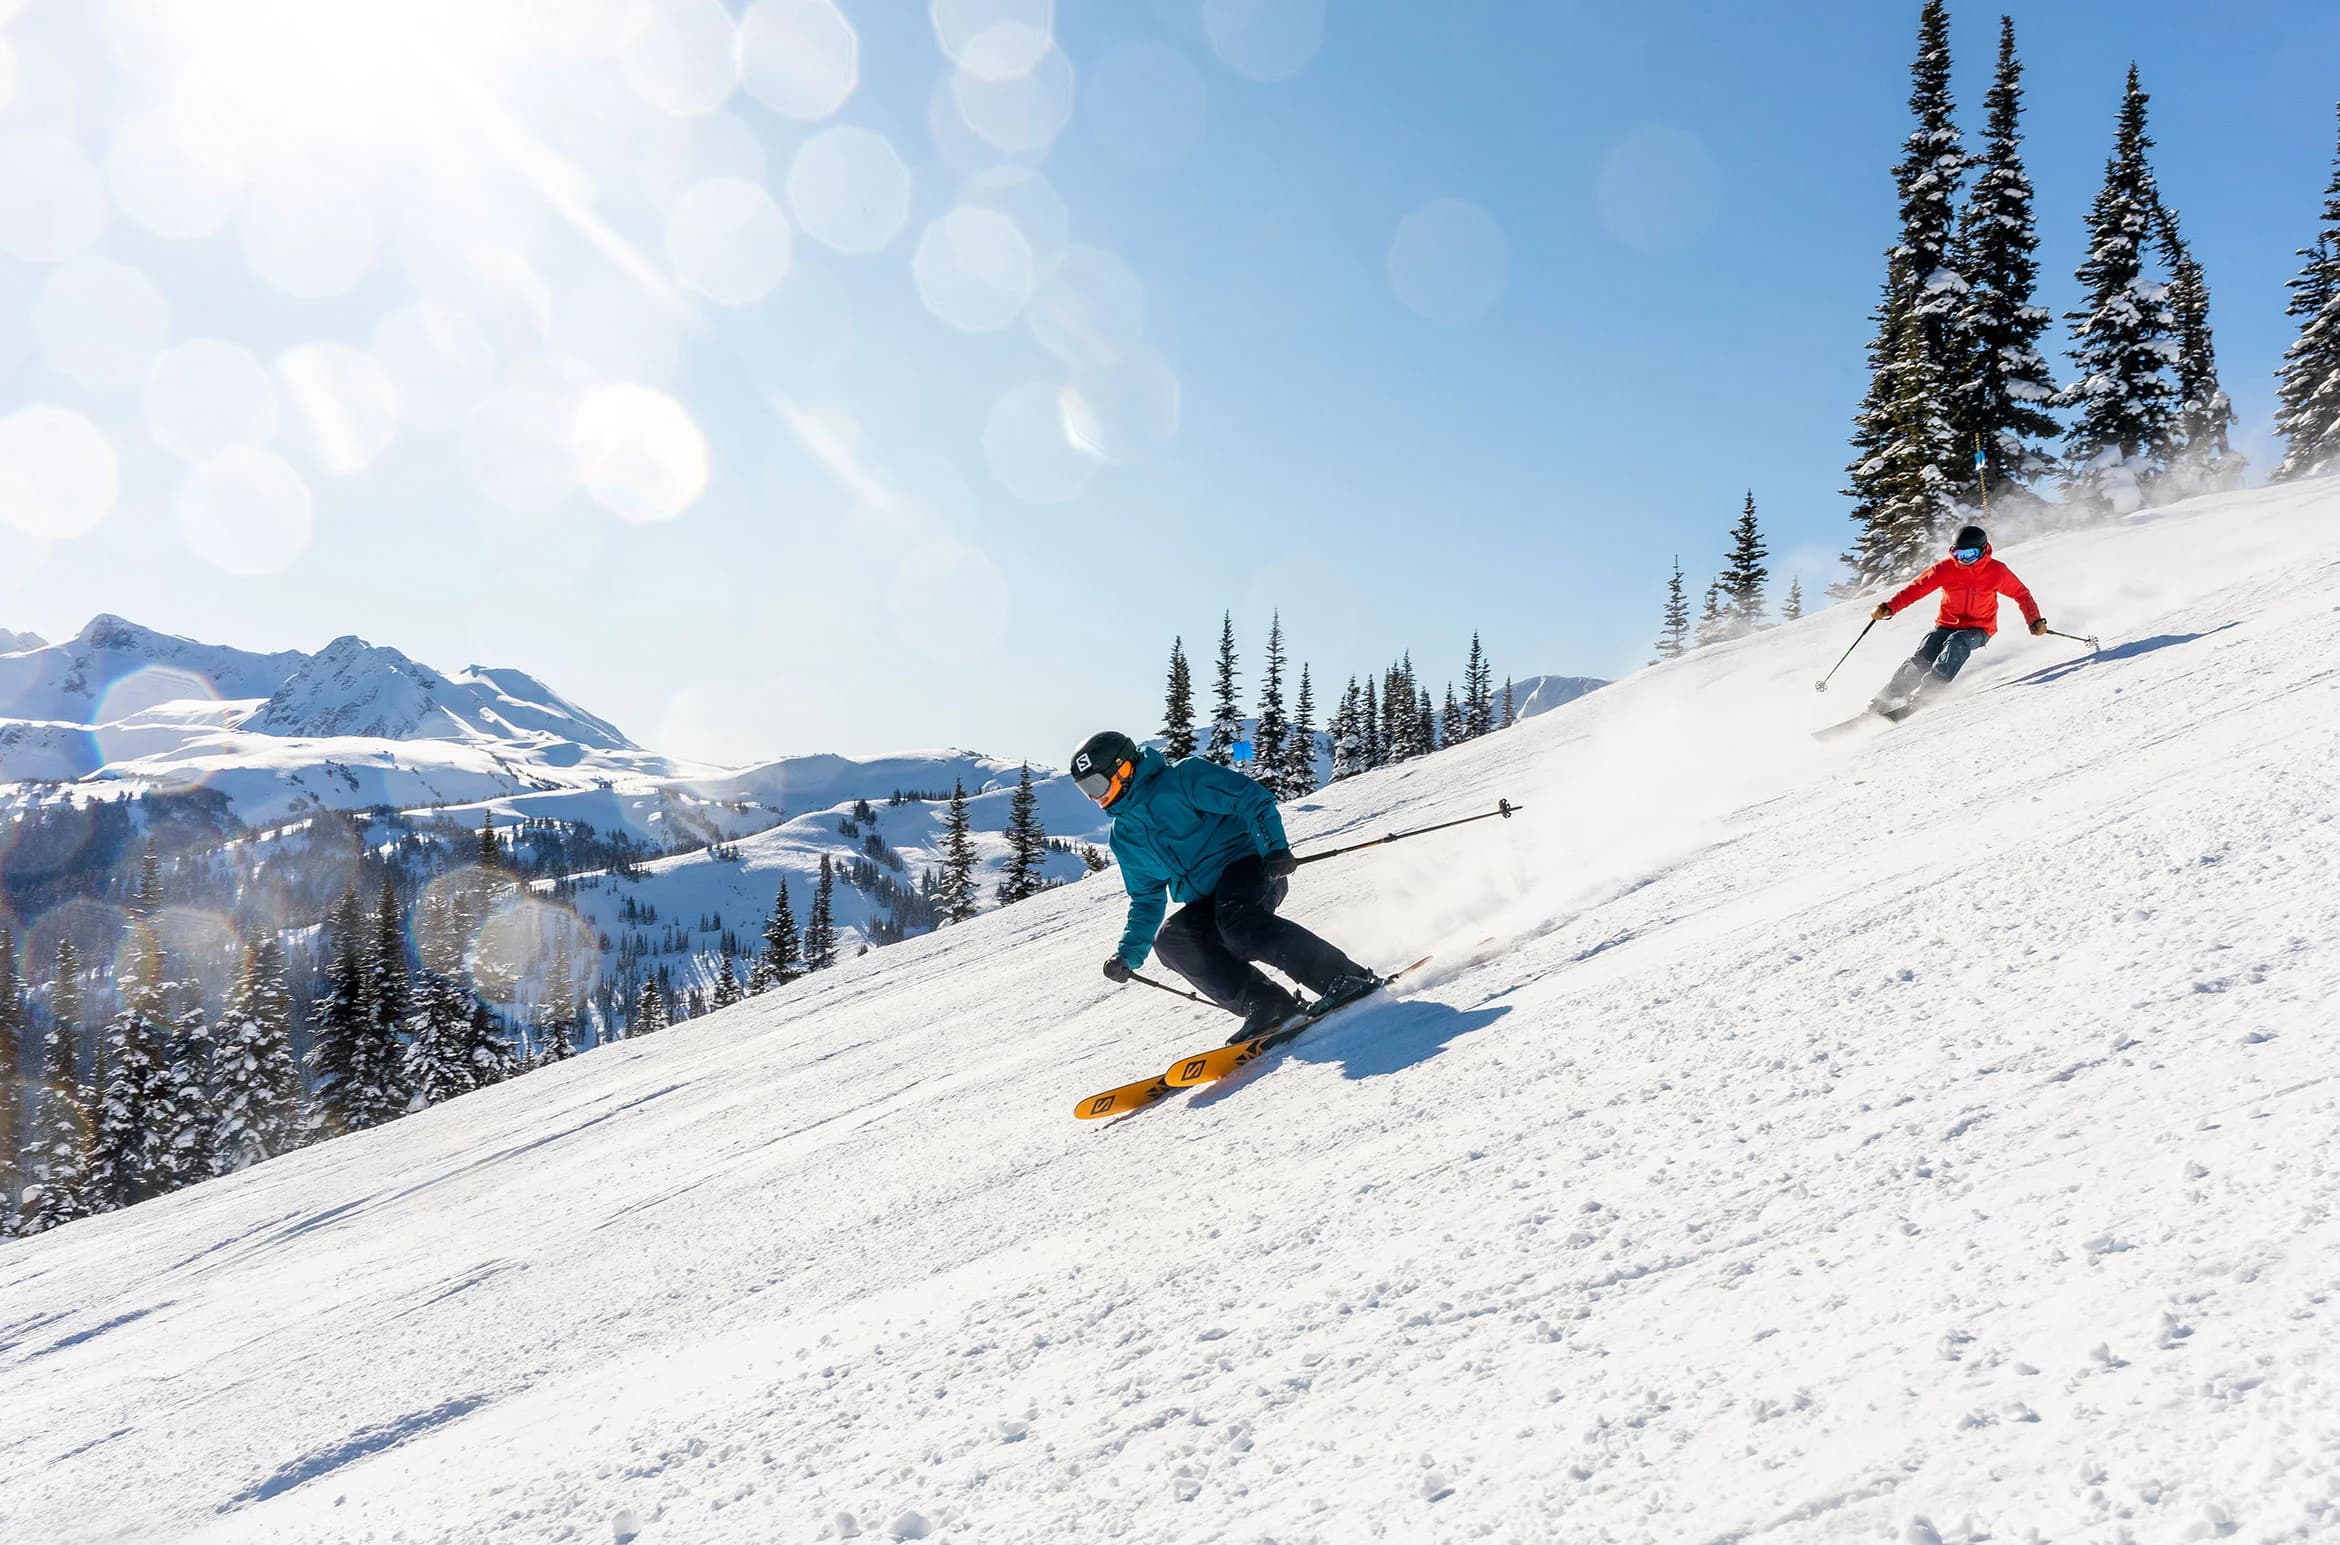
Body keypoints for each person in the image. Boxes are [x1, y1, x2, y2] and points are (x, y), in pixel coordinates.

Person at [1071, 729, 1378, 1043]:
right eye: (1086, 790)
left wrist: (1274, 848)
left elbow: (1251, 799)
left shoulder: (1181, 779)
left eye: (1096, 784)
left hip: (1251, 868)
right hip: (1209, 898)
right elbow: (1146, 898)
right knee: (1172, 940)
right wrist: (1128, 955)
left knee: (1236, 919)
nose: (1095, 797)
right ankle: (1268, 1005)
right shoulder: (1124, 835)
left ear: (1123, 768)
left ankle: (1343, 977)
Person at [1867, 524, 2047, 715]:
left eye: (1970, 555)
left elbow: (2021, 594)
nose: (1964, 561)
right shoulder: (1945, 569)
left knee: (1957, 642)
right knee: (1924, 656)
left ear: (1983, 550)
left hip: (1980, 628)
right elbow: (1916, 589)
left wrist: (2034, 620)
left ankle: (1928, 693)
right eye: (1960, 555)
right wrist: (1890, 606)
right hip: (1946, 624)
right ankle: (1887, 699)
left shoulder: (1996, 571)